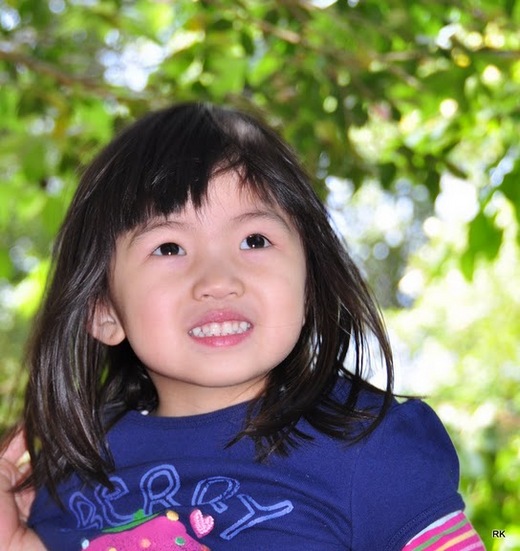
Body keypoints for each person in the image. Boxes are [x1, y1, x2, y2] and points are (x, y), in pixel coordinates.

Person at [0, 102, 484, 550]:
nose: (218, 281)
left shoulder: (371, 450)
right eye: (168, 248)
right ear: (103, 309)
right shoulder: (72, 477)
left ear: (309, 283)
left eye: (254, 240)